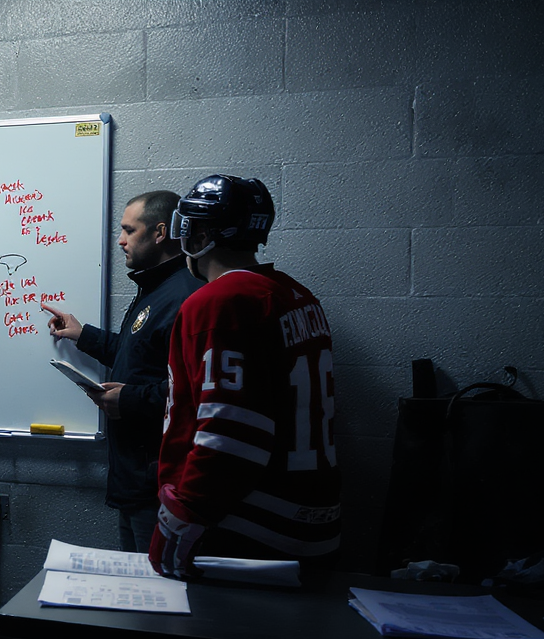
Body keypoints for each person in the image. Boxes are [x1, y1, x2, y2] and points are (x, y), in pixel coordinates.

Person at [149, 175, 340, 578]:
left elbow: (231, 429)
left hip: (249, 524)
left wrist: (185, 514)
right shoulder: (296, 295)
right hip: (310, 516)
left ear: (201, 234)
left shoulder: (222, 301)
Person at [40, 191, 202, 554]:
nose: (120, 240)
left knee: (156, 584)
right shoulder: (156, 288)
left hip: (160, 485)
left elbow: (194, 392)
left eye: (129, 230)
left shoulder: (185, 297)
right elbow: (139, 357)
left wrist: (128, 399)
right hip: (136, 478)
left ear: (160, 233)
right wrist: (83, 335)